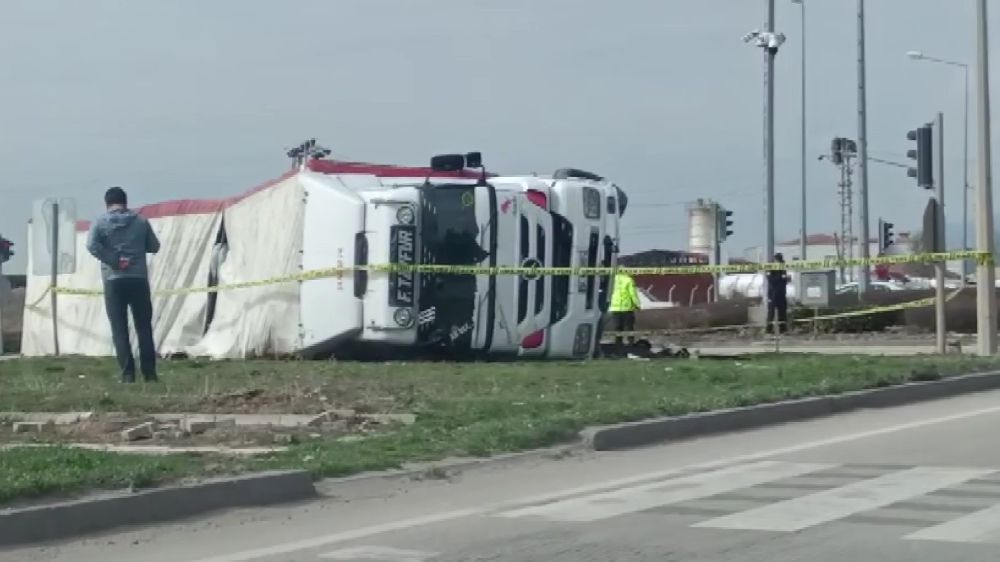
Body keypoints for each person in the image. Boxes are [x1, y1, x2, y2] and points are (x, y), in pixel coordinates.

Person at [86, 187, 161, 383]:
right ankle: (150, 374)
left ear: (107, 203)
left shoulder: (100, 222)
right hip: (138, 279)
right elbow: (155, 246)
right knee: (144, 327)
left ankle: (128, 374)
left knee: (119, 328)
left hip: (113, 280)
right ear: (126, 202)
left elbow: (92, 245)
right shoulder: (141, 222)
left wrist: (113, 260)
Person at [609, 271, 641, 352]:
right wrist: (637, 304)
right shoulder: (628, 280)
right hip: (626, 307)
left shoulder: (612, 279)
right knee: (629, 327)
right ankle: (631, 345)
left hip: (614, 307)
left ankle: (618, 346)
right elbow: (633, 294)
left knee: (617, 328)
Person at [766, 252, 791, 334]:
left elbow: (785, 280)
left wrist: (785, 278)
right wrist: (782, 278)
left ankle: (783, 329)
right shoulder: (771, 268)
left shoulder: (782, 268)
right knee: (771, 313)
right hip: (773, 294)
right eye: (779, 260)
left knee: (782, 312)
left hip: (782, 293)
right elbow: (771, 280)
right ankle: (769, 330)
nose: (780, 262)